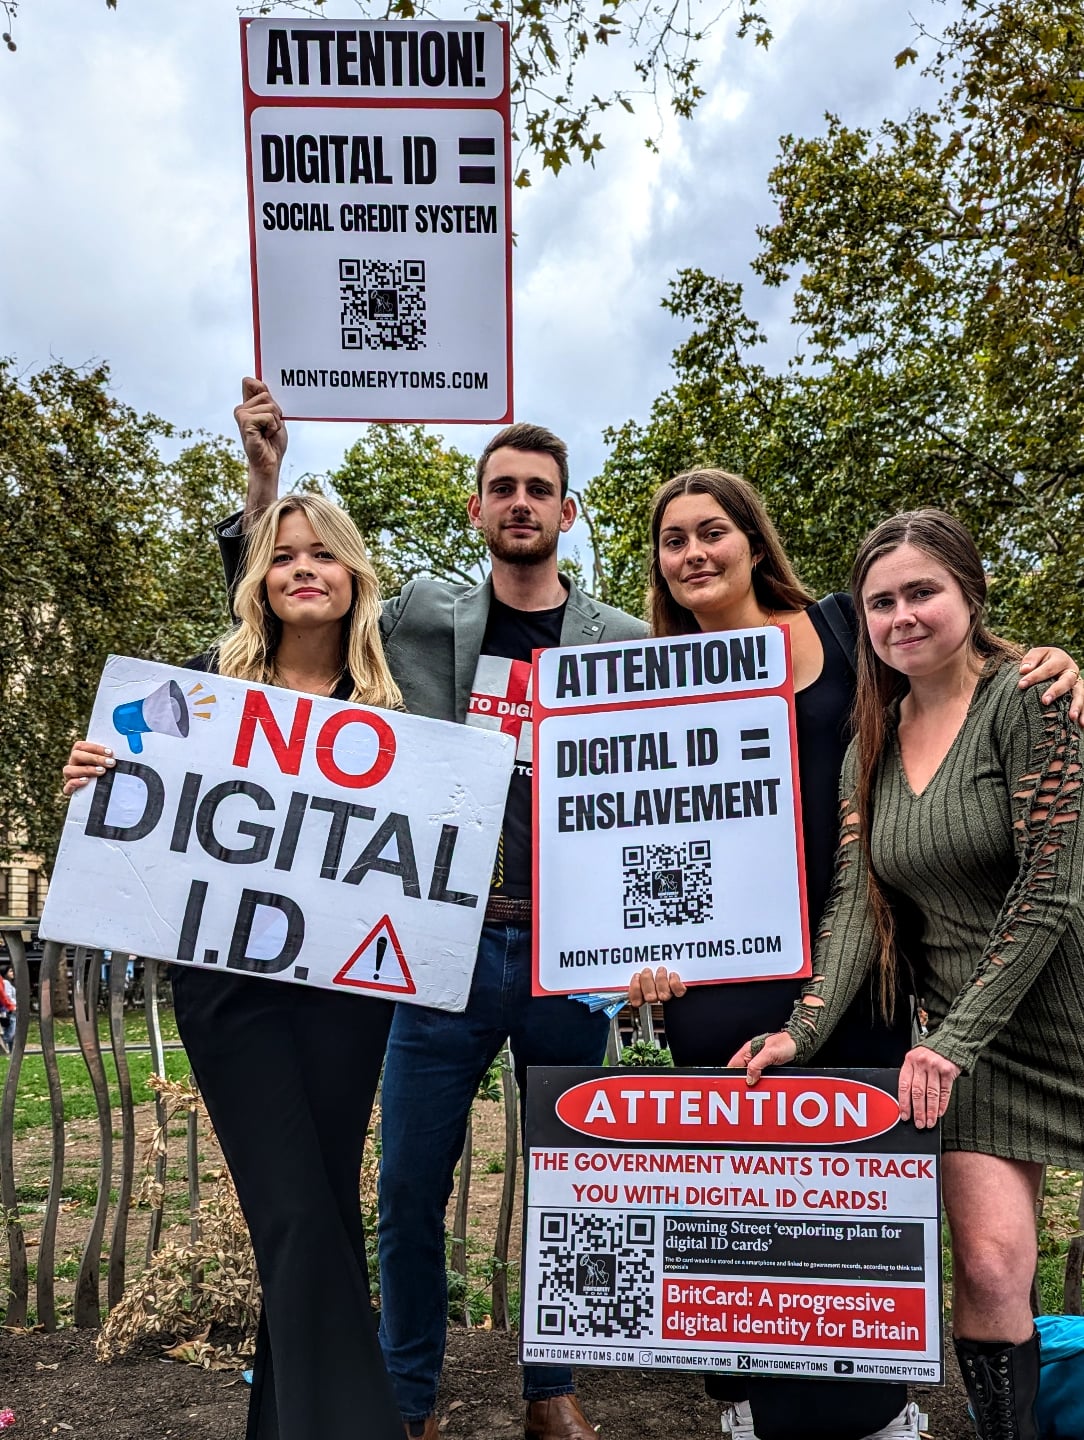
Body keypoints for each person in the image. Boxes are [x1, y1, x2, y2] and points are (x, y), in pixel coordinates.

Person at [220, 378, 649, 1440]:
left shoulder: (625, 639)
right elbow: (281, 613)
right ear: (475, 510)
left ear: (567, 513)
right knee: (408, 1188)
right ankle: (406, 1398)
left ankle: (552, 1391)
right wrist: (265, 485)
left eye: (538, 490)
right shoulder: (418, 613)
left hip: (565, 957)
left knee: (569, 1186)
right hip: (435, 952)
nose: (519, 504)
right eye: (500, 487)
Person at [626, 472, 1084, 1440]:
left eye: (921, 593)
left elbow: (1050, 893)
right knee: (992, 1264)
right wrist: (795, 1027)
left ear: (971, 591)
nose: (901, 614)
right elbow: (852, 893)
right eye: (884, 600)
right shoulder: (869, 731)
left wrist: (943, 1040)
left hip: (1037, 1007)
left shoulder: (1023, 698)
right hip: (940, 1025)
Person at [64, 492, 406, 1440]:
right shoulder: (201, 695)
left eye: (323, 556)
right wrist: (94, 775)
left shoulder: (393, 714)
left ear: (353, 581)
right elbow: (134, 798)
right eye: (284, 555)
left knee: (326, 1205)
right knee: (293, 1209)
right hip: (228, 991)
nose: (304, 568)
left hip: (348, 992)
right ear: (258, 580)